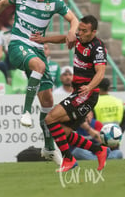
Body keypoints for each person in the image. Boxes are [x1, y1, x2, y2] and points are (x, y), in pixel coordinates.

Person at [0, 0, 79, 165]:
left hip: (36, 48)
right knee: (40, 65)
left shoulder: (54, 0)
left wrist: (71, 32)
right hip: (17, 44)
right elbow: (1, 3)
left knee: (48, 98)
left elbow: (74, 19)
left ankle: (49, 147)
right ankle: (26, 111)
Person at [30, 15, 109, 172]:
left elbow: (100, 73)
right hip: (79, 93)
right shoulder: (79, 37)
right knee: (63, 132)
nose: (79, 32)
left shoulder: (97, 48)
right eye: (79, 29)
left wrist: (89, 87)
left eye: (84, 30)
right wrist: (43, 40)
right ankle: (99, 150)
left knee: (50, 118)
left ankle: (68, 159)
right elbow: (64, 38)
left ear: (94, 32)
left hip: (87, 94)